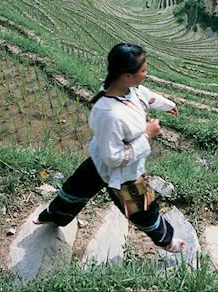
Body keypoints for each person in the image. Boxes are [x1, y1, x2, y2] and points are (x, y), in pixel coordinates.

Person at [35, 42, 186, 253]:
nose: (146, 73)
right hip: (122, 174)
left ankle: (52, 216)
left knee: (75, 189)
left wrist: (167, 105)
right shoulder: (110, 114)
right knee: (144, 209)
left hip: (98, 161)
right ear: (127, 75)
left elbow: (146, 95)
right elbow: (114, 158)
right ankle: (165, 240)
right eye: (143, 70)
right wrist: (147, 135)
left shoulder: (126, 89)